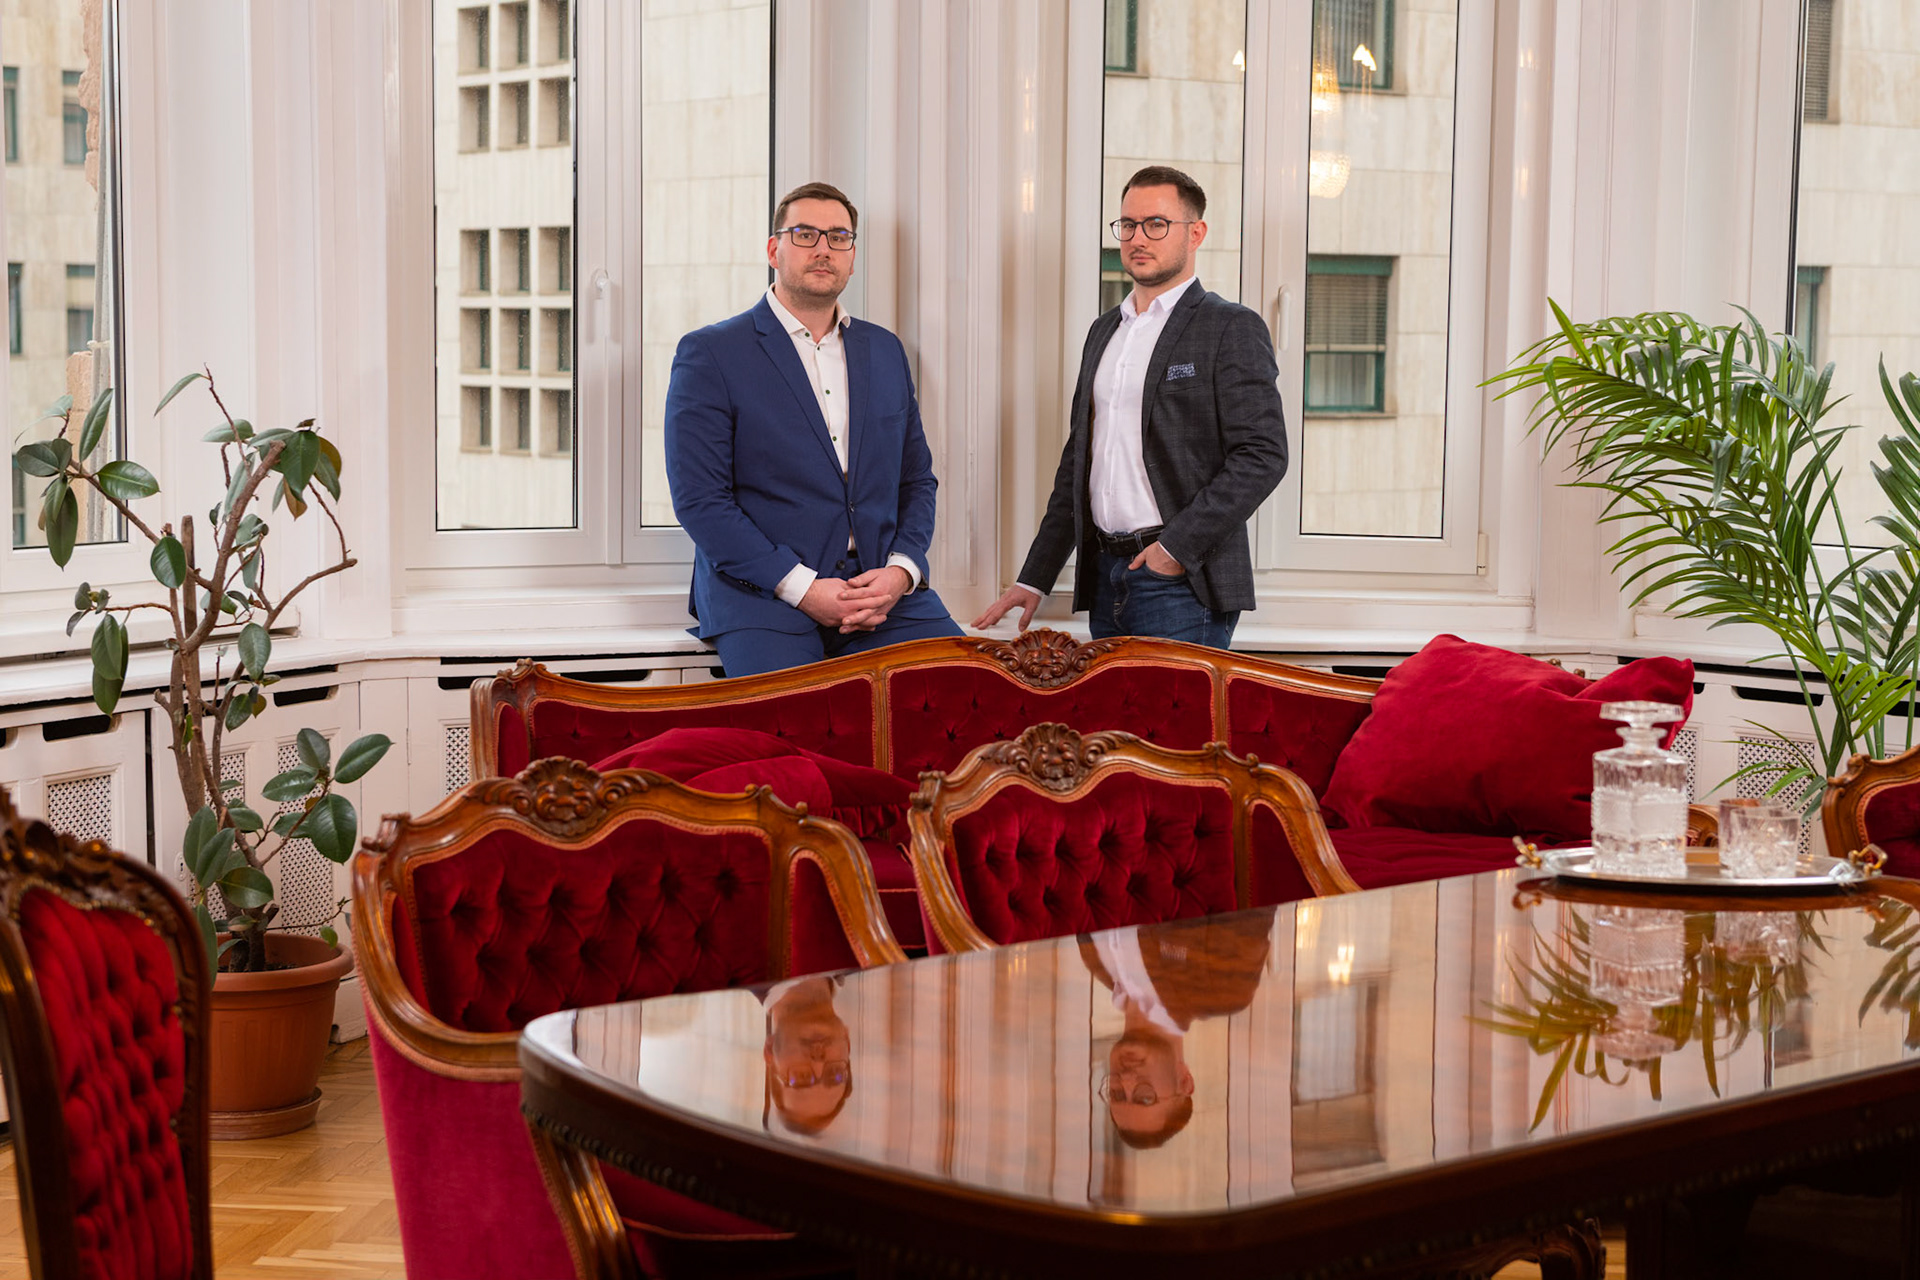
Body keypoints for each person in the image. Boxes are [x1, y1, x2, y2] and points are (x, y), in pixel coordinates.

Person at [974, 165, 1288, 649]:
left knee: (1176, 706)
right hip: (1106, 578)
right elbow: (1079, 463)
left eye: (1156, 224)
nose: (1138, 238)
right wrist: (1035, 577)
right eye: (1128, 224)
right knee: (1113, 707)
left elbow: (1263, 455)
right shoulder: (1104, 331)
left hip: (1181, 584)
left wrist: (1173, 550)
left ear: (1196, 233)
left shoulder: (1230, 327)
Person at [666, 181, 962, 677]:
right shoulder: (711, 353)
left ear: (852, 257)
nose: (824, 248)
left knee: (968, 690)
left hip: (879, 594)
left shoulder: (885, 350)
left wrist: (901, 572)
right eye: (805, 234)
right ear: (773, 250)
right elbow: (700, 500)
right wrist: (802, 588)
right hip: (762, 595)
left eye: (839, 237)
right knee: (795, 717)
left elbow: (916, 481)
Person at [1080, 910, 1274, 1150]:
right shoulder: (1223, 990)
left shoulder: (1095, 962)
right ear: (1184, 1082)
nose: (1127, 1081)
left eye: (1117, 1095)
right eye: (1145, 1097)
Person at [761, 974, 853, 1137]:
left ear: (770, 1051)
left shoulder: (726, 971)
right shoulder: (874, 961)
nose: (818, 1063)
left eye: (801, 1077)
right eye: (835, 1075)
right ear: (847, 1041)